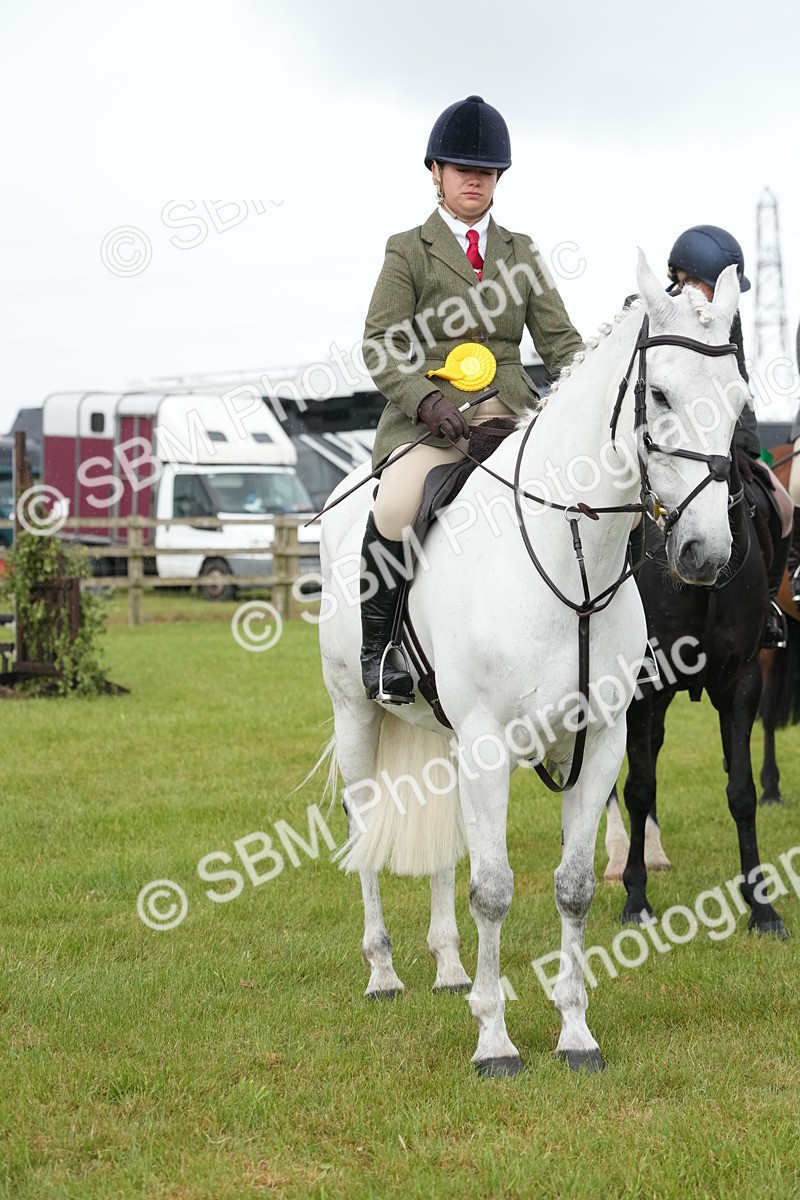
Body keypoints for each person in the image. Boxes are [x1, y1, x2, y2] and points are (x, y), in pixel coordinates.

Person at [359, 95, 584, 703]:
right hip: (431, 422)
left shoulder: (522, 252)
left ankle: (605, 644)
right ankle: (380, 652)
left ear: (498, 179)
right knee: (397, 507)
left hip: (513, 413)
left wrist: (590, 401)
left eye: (485, 172)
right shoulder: (408, 249)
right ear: (436, 172)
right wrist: (427, 403)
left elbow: (561, 342)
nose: (475, 180)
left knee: (593, 492)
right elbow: (380, 343)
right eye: (463, 169)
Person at [664, 225, 795, 649]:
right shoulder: (654, 313)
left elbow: (737, 384)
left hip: (723, 444)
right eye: (717, 286)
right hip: (667, 448)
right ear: (688, 277)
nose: (725, 297)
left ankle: (767, 611)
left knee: (783, 504)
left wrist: (747, 445)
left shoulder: (725, 319)